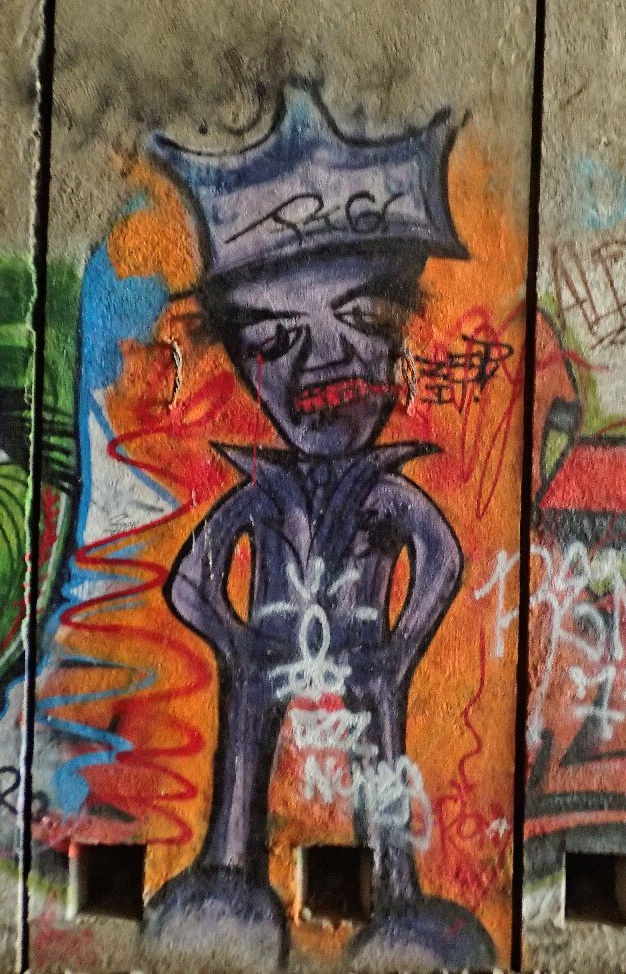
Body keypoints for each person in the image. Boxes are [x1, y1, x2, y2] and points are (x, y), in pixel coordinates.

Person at [144, 82, 495, 972]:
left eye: (363, 321)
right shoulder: (265, 489)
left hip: (365, 647)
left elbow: (441, 556)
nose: (324, 363)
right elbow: (190, 578)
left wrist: (401, 647)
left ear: (400, 334)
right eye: (273, 341)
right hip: (270, 643)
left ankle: (399, 896)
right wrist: (233, 641)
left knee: (382, 758)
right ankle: (227, 876)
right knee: (245, 748)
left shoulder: (381, 492)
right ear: (241, 360)